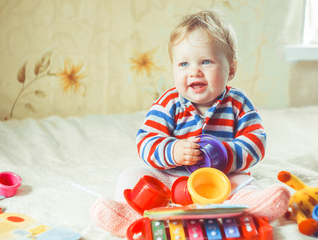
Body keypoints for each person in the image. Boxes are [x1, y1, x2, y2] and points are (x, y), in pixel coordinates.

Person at [91, 9, 290, 237]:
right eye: (183, 64)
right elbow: (145, 140)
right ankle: (132, 218)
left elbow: (256, 141)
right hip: (174, 179)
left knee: (245, 184)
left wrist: (226, 154)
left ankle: (252, 208)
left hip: (223, 180)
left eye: (206, 61)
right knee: (131, 176)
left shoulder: (238, 103)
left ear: (231, 69)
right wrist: (173, 150)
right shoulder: (169, 102)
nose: (194, 71)